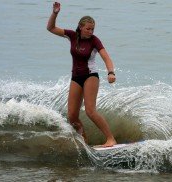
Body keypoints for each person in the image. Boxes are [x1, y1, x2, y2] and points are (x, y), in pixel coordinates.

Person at [47, 2, 117, 147]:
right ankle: (84, 142)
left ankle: (111, 139)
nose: (91, 31)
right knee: (72, 116)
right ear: (80, 27)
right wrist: (55, 13)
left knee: (90, 111)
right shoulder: (72, 36)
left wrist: (111, 72)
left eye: (93, 29)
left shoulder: (94, 41)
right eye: (88, 29)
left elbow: (106, 57)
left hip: (90, 76)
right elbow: (51, 28)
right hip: (76, 77)